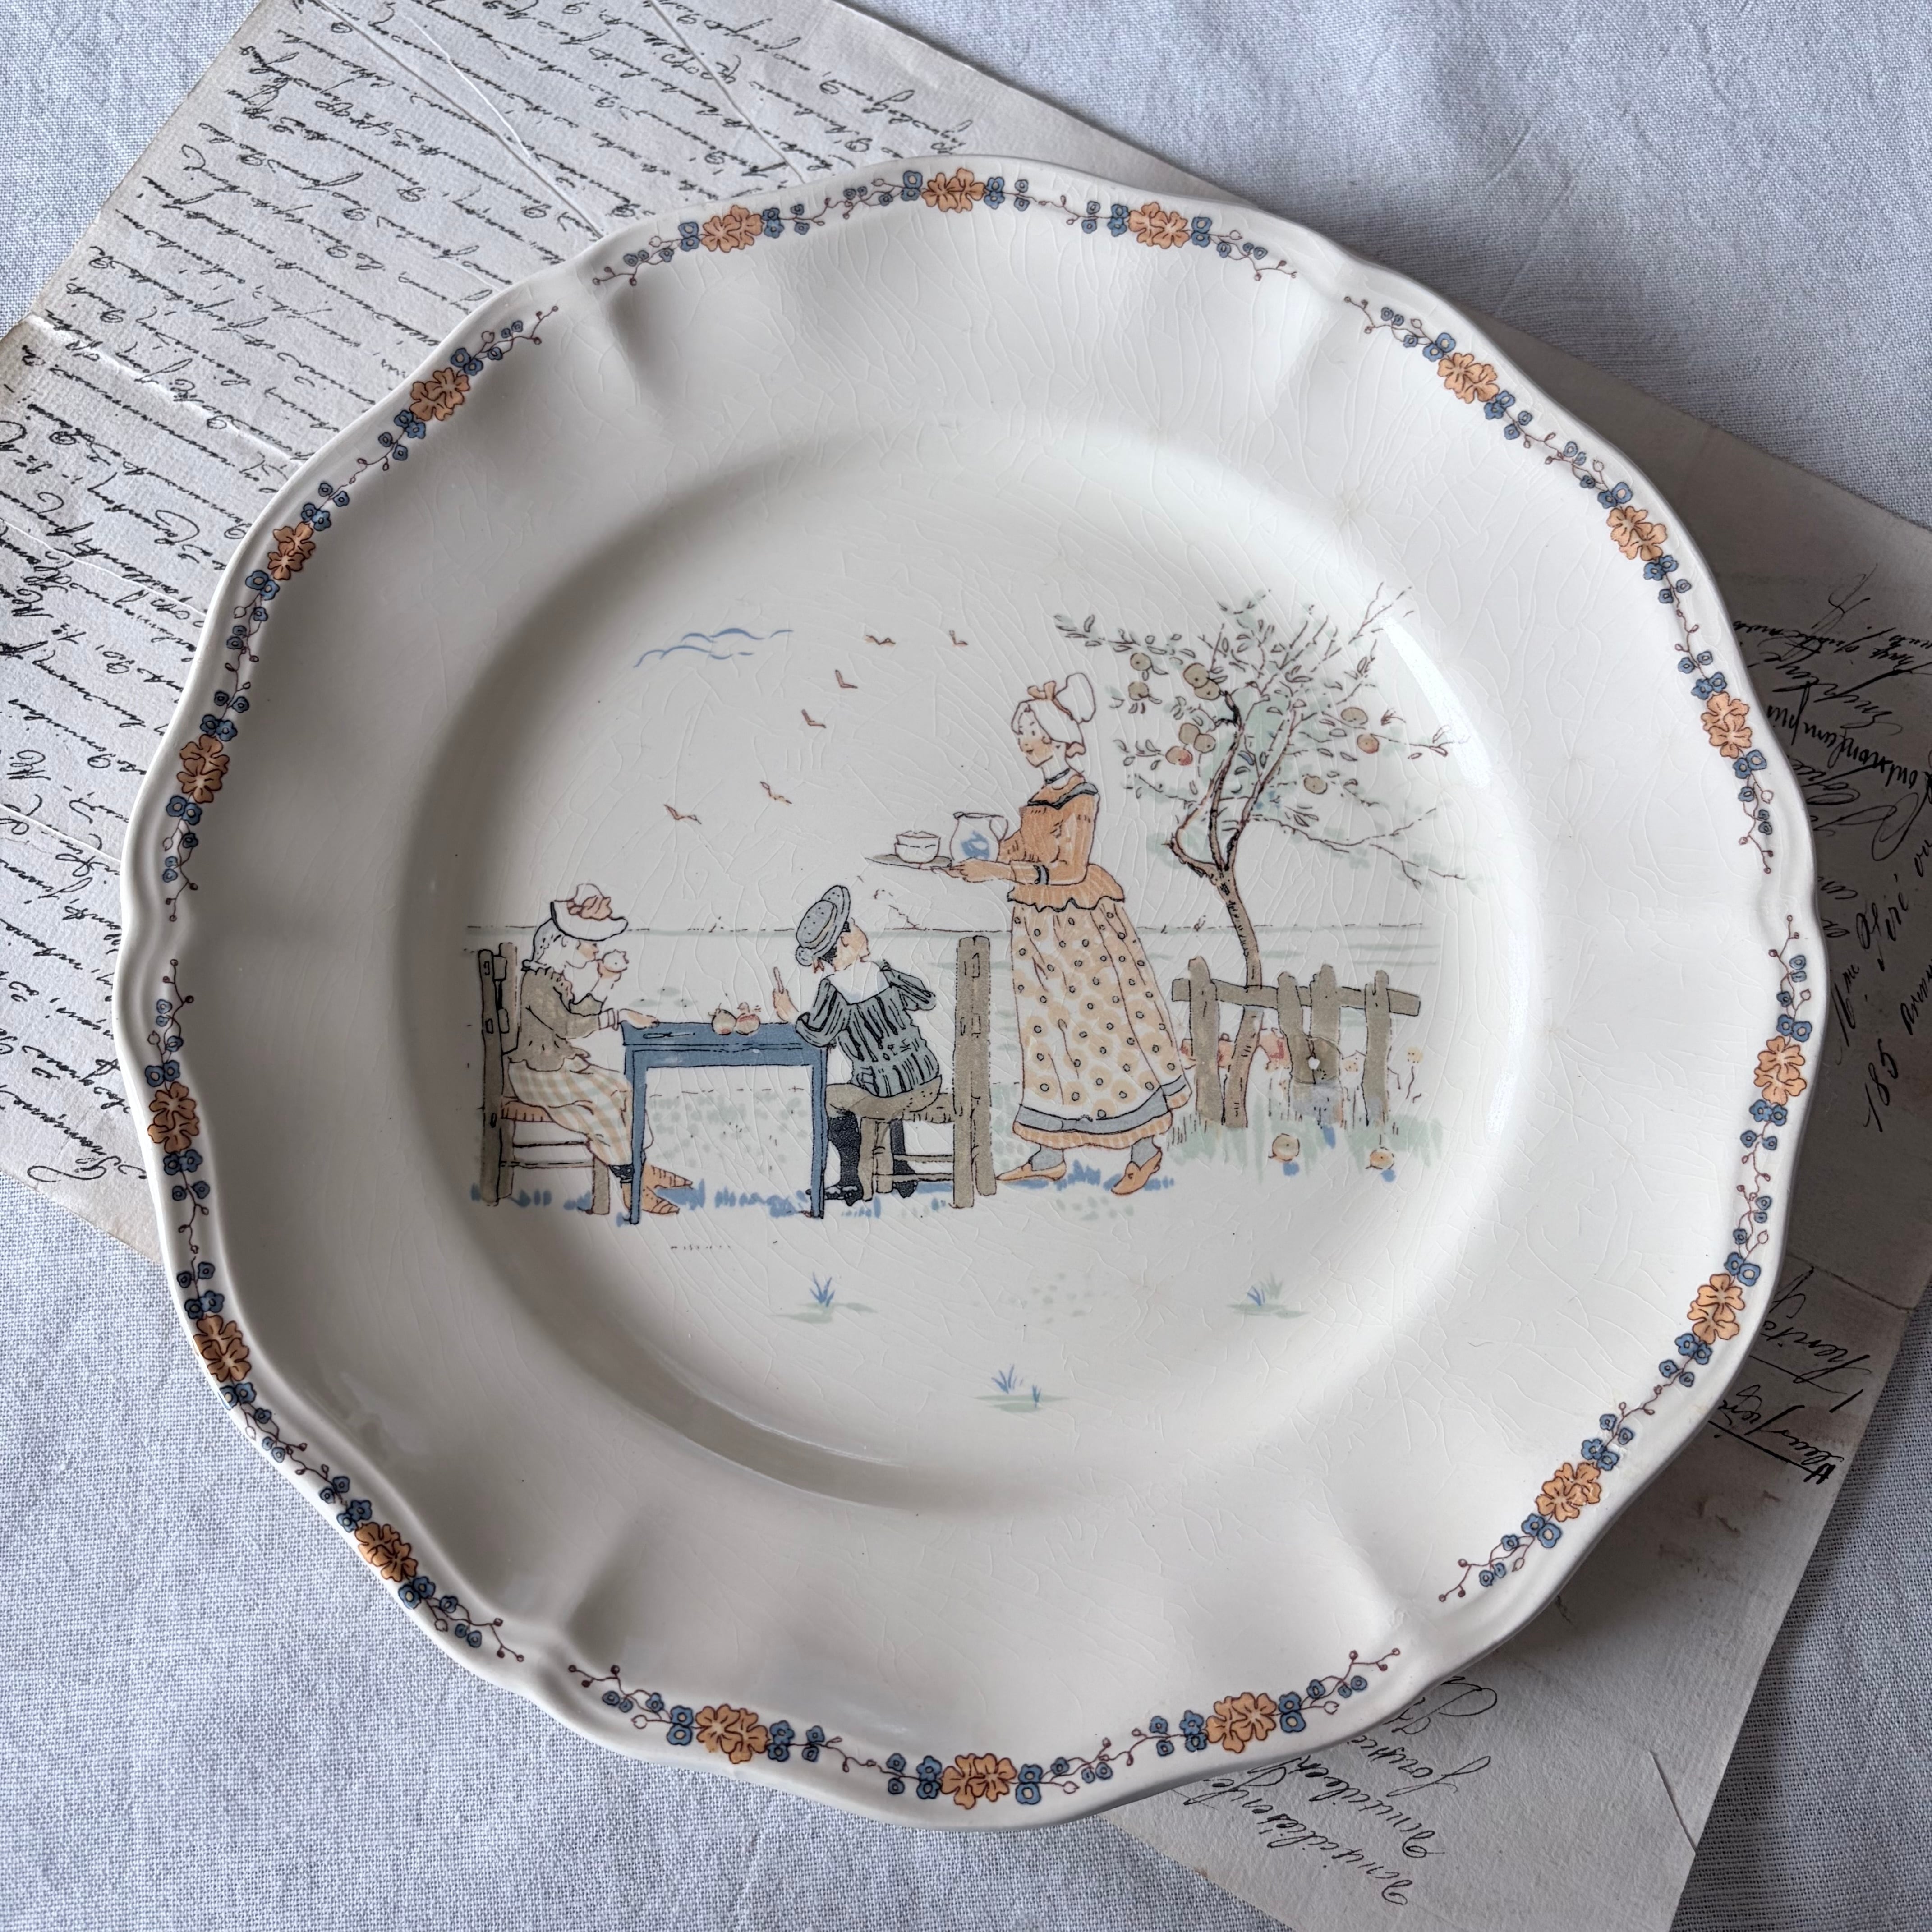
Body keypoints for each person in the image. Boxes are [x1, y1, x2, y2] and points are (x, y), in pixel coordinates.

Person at [949, 672, 1187, 1196]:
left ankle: (1144, 1150)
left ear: (1057, 735)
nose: (1025, 742)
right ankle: (1048, 1153)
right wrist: (977, 855)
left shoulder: (1080, 796)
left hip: (1077, 929)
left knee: (1101, 1033)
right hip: (1039, 931)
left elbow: (1069, 869)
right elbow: (1022, 849)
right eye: (1022, 733)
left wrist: (996, 872)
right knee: (1046, 1037)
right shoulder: (1043, 795)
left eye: (1031, 732)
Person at [506, 883, 689, 1217]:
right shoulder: (537, 984)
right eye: (588, 944)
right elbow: (569, 1027)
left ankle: (641, 1167)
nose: (593, 951)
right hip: (536, 1074)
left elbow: (578, 1016)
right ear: (563, 944)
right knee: (604, 1106)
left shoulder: (553, 980)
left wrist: (605, 980)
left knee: (624, 1089)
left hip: (556, 1069)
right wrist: (620, 1015)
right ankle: (630, 1185)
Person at [771, 885, 942, 1205]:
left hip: (885, 1095)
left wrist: (791, 1014)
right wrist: (886, 973)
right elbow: (927, 999)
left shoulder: (834, 989)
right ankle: (900, 1169)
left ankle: (852, 1180)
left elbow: (819, 1035)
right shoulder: (883, 974)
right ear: (845, 940)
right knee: (884, 1087)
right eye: (855, 925)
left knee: (830, 1100)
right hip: (928, 1080)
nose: (862, 929)